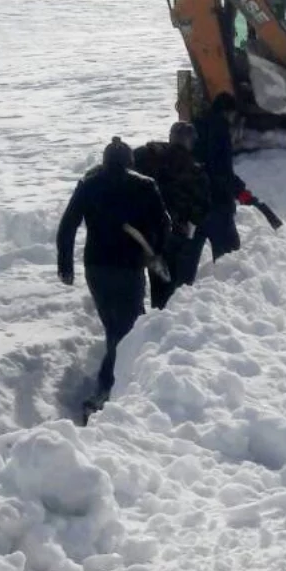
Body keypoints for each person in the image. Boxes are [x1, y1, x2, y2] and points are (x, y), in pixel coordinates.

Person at [56, 137, 172, 408]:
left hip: (96, 267)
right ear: (130, 162)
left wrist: (65, 265)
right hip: (128, 266)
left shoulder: (89, 185)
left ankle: (119, 381)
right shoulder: (145, 186)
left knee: (115, 325)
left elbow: (68, 225)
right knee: (125, 328)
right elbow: (164, 224)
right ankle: (106, 390)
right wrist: (156, 252)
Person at [133, 122, 211, 308]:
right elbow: (203, 206)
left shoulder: (149, 157)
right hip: (177, 235)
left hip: (151, 234)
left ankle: (156, 315)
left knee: (158, 282)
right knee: (176, 285)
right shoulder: (193, 169)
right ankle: (168, 318)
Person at [193, 92, 247, 261]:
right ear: (227, 112)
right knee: (230, 255)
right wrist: (238, 189)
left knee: (189, 257)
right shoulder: (220, 129)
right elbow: (220, 168)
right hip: (218, 201)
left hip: (195, 201)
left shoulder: (197, 125)